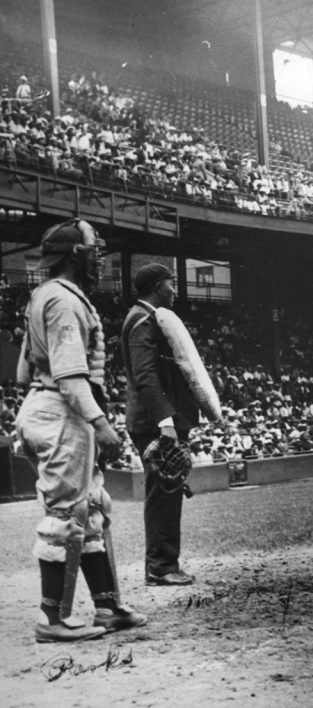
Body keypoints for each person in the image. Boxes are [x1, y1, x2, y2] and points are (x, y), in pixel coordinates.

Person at [16, 218, 147, 642]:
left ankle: (107, 606)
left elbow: (22, 372)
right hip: (63, 409)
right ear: (76, 253)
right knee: (66, 515)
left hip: (47, 403)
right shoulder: (65, 301)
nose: (98, 255)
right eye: (93, 248)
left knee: (90, 508)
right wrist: (101, 423)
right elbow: (72, 378)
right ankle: (51, 619)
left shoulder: (44, 294)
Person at [121, 264, 199, 586]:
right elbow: (145, 375)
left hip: (158, 419)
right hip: (155, 422)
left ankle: (163, 564)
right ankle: (161, 567)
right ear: (157, 286)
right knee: (164, 491)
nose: (174, 289)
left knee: (167, 490)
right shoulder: (143, 320)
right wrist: (166, 420)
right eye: (171, 283)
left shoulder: (148, 316)